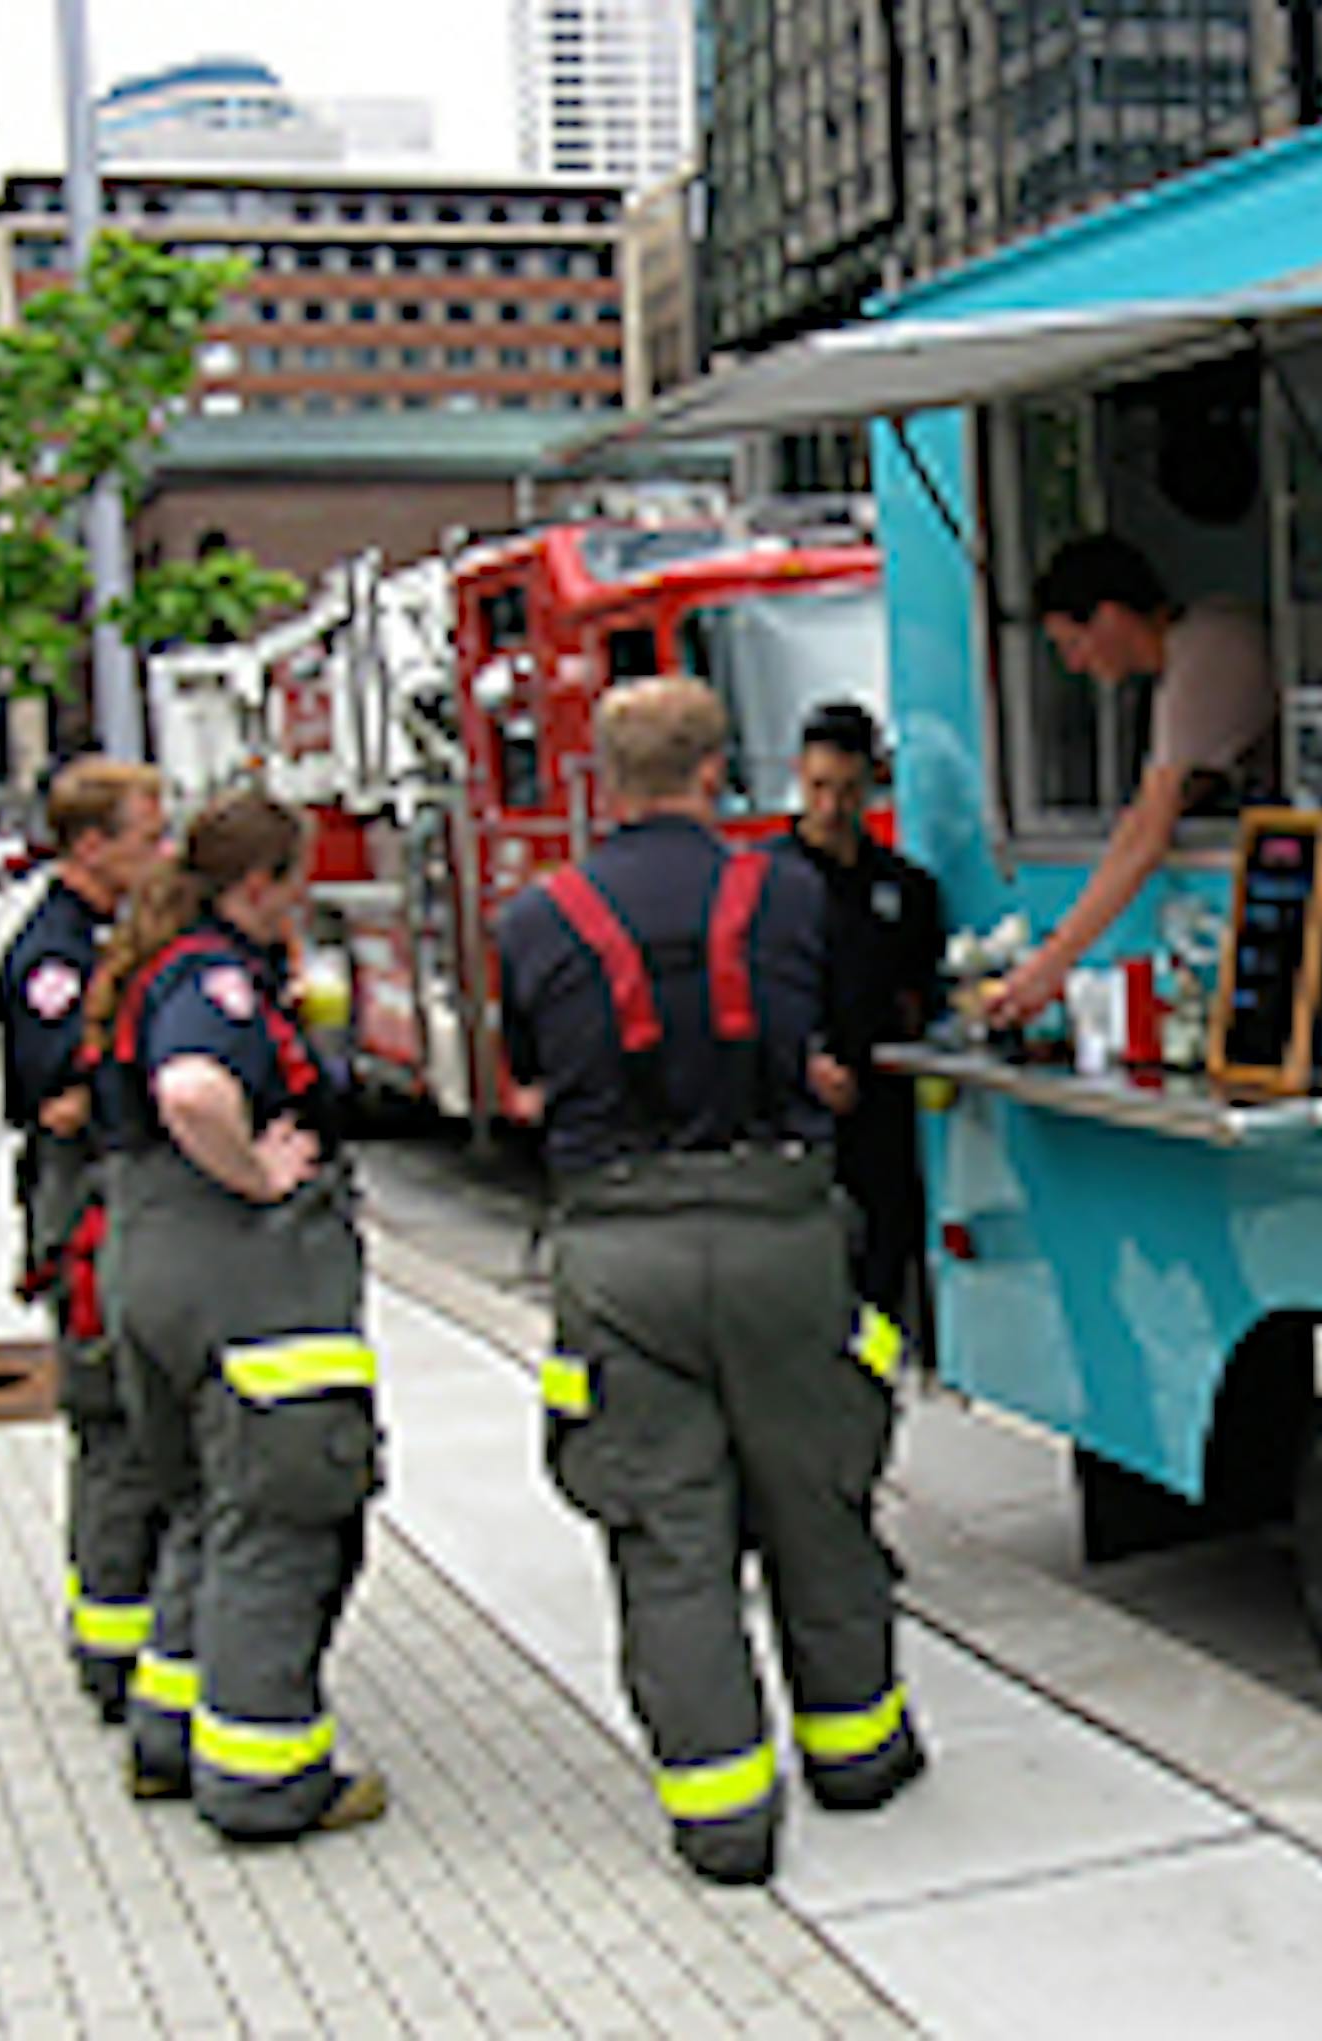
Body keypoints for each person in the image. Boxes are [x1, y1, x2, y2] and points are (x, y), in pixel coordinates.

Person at [497, 678, 925, 1888]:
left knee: (667, 1534)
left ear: (604, 776)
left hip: (620, 1248)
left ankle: (725, 1817)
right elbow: (826, 1035)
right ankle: (858, 1751)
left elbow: (528, 1078)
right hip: (782, 1232)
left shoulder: (537, 919)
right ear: (713, 774)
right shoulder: (783, 891)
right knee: (819, 1496)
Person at [91, 790, 386, 1839]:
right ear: (258, 884)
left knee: (207, 1507)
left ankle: (170, 1736)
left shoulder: (164, 959)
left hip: (158, 1263)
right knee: (285, 1520)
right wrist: (259, 1176)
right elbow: (192, 1091)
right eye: (295, 880)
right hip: (246, 1280)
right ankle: (265, 1776)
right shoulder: (212, 976)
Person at [0, 758, 169, 1721]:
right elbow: (57, 1097)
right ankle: (113, 1646)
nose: (164, 851)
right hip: (87, 1208)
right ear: (92, 846)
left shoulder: (113, 937)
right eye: (148, 836)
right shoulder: (52, 956)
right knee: (113, 1427)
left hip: (118, 1200)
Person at [988, 533, 1278, 1025]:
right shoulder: (1198, 642)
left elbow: (1147, 836)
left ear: (1111, 616)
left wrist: (1050, 967)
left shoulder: (1203, 656)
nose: (1073, 665)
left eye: (1073, 644)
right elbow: (1150, 810)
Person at [776, 701, 943, 1334]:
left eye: (847, 790)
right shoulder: (766, 880)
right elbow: (749, 997)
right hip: (797, 1112)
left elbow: (924, 987)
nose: (830, 807)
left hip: (883, 1109)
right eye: (818, 788)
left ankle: (871, 1388)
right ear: (799, 777)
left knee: (884, 1259)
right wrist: (803, 1058)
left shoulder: (905, 887)